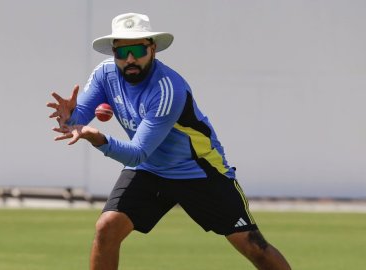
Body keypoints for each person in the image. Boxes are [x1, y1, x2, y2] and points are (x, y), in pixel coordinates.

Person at [47, 12, 291, 270]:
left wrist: (98, 138)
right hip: (150, 170)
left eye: (138, 49)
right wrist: (68, 118)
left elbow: (137, 152)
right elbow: (79, 119)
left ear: (152, 49)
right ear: (114, 53)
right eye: (122, 52)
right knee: (107, 227)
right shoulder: (105, 74)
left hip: (197, 170)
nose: (130, 59)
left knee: (254, 247)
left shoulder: (167, 89)